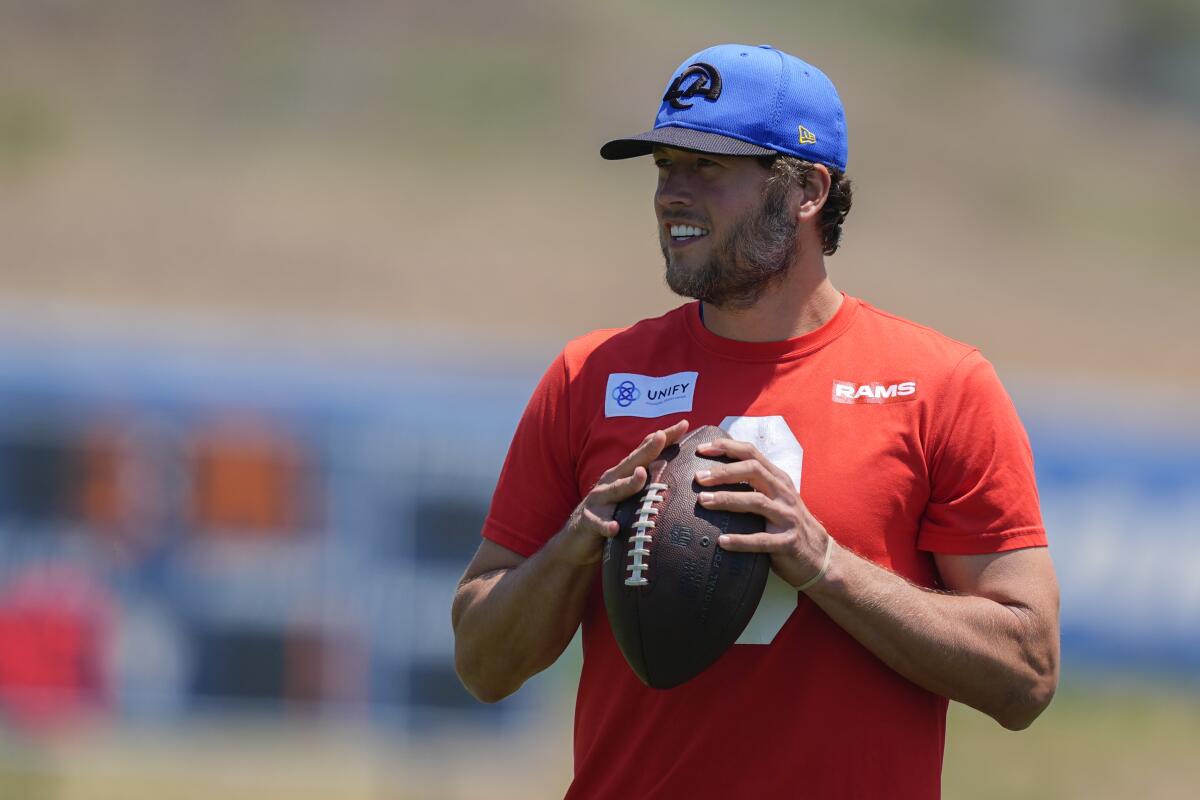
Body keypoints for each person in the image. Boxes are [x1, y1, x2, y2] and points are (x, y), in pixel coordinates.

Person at [452, 43, 1059, 799]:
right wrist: (575, 546)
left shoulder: (941, 387)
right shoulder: (591, 377)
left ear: (806, 188)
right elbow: (480, 662)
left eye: (707, 167)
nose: (673, 193)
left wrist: (824, 565)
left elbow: (1026, 675)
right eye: (664, 165)